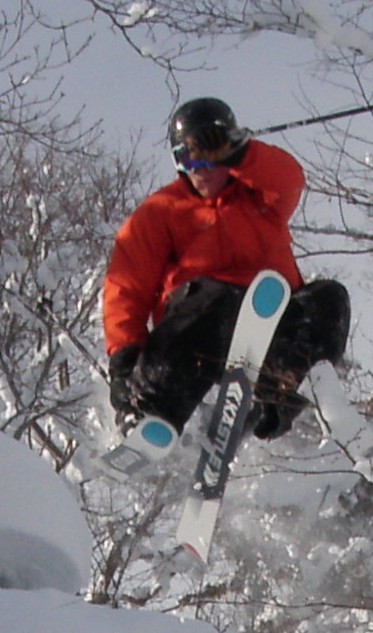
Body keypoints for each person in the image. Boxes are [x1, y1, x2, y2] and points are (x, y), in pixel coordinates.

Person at [100, 98, 353, 444]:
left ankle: (269, 403)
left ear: (230, 152)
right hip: (200, 331)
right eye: (186, 159)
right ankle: (148, 416)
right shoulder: (159, 213)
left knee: (328, 298)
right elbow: (126, 288)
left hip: (271, 321)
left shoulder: (259, 197)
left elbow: (289, 176)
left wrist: (242, 155)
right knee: (210, 300)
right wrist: (124, 361)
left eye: (208, 156)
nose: (199, 169)